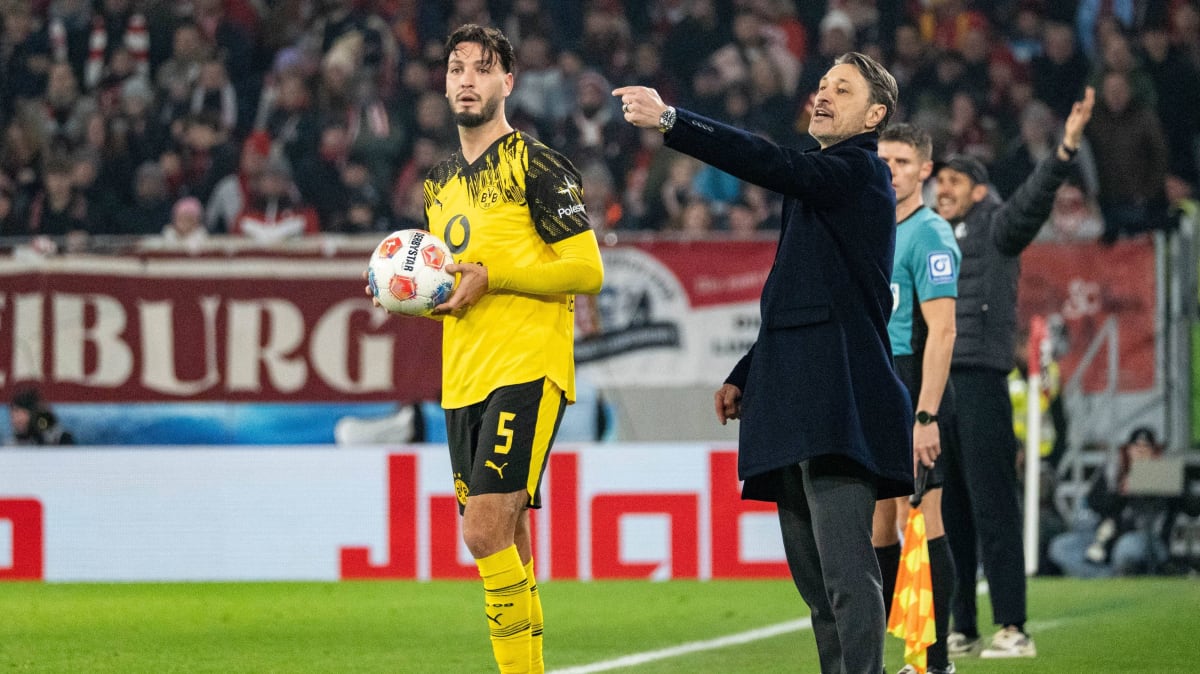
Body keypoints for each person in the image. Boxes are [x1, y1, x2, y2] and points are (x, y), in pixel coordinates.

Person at [615, 51, 913, 674]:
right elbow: (804, 296)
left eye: (843, 89)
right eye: (823, 84)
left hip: (840, 400)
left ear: (875, 115)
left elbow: (770, 161)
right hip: (792, 399)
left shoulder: (860, 172)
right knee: (816, 586)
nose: (823, 94)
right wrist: (747, 373)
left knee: (846, 576)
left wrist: (672, 121)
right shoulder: (822, 186)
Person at [367, 24, 603, 674]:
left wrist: (494, 276)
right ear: (445, 84)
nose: (467, 80)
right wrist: (406, 295)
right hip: (463, 376)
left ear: (508, 82)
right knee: (510, 534)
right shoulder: (438, 182)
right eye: (456, 69)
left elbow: (587, 271)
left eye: (481, 68)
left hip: (527, 365)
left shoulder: (538, 164)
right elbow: (454, 283)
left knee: (481, 530)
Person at [933, 86, 1095, 659]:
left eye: (953, 182)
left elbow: (1034, 198)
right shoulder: (928, 234)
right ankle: (961, 625)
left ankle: (1013, 627)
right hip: (937, 386)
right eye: (939, 181)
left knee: (993, 507)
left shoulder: (998, 226)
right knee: (949, 513)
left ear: (979, 191)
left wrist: (1063, 151)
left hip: (980, 381)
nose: (942, 189)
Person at [873, 123, 961, 674]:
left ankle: (935, 660)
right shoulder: (874, 226)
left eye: (902, 162)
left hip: (915, 387)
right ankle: (891, 652)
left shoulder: (930, 234)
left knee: (923, 521)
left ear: (925, 170)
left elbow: (944, 331)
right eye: (883, 160)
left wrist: (925, 415)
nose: (890, 171)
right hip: (878, 383)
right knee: (880, 525)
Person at [1049, 427, 1197, 577]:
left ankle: (1117, 574)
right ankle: (1108, 576)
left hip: (1148, 541)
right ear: (1128, 450)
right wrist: (1120, 493)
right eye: (1136, 446)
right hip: (1107, 539)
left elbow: (1192, 509)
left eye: (1146, 447)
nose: (1140, 451)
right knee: (1060, 547)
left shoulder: (1166, 474)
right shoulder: (1113, 472)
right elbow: (1094, 504)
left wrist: (1156, 486)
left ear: (1155, 451)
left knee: (1126, 547)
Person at [7, 386, 74, 446]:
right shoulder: (12, 442)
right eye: (13, 416)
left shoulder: (58, 436)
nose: (16, 420)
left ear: (33, 413)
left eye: (21, 414)